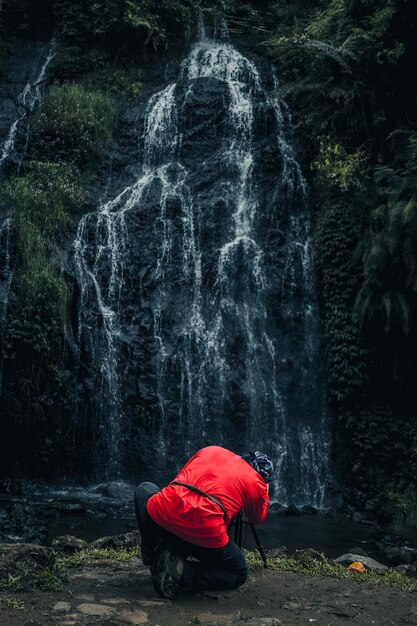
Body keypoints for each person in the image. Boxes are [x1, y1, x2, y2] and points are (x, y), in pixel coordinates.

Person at [133, 445, 273, 599]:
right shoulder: (256, 482)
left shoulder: (212, 450)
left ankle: (154, 556)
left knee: (144, 489)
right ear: (263, 477)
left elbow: (180, 479)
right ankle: (180, 571)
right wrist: (264, 491)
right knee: (238, 573)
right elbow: (256, 518)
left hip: (164, 512)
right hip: (205, 535)